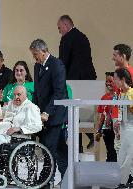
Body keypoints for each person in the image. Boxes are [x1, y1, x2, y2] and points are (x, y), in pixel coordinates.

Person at [29, 38, 68, 188]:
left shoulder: (56, 65)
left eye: (36, 54)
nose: (34, 58)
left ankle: (46, 181)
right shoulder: (37, 66)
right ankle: (68, 178)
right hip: (42, 115)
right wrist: (33, 110)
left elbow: (59, 92)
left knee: (48, 147)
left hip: (54, 115)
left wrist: (47, 112)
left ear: (44, 51)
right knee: (59, 149)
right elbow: (37, 92)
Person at [57, 15, 96, 151]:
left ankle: (78, 149)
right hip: (89, 80)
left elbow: (63, 61)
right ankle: (90, 136)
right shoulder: (83, 36)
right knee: (83, 113)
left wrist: (57, 75)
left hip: (74, 81)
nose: (59, 31)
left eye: (59, 28)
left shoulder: (67, 38)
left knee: (74, 113)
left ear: (66, 25)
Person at [113, 68, 133, 187]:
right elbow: (121, 111)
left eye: (116, 79)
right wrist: (118, 124)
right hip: (124, 128)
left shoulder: (131, 93)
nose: (114, 81)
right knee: (123, 156)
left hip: (131, 129)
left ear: (123, 79)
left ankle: (123, 182)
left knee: (127, 156)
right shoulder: (121, 94)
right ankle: (124, 181)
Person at [95, 72, 118, 162]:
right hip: (107, 129)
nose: (108, 83)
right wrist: (98, 130)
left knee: (115, 151)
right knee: (110, 150)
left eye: (110, 81)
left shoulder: (120, 96)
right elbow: (102, 116)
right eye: (106, 81)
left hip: (117, 128)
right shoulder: (104, 97)